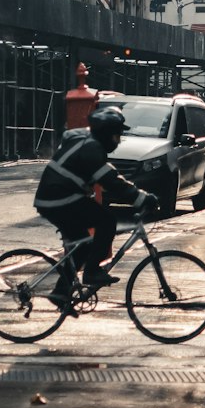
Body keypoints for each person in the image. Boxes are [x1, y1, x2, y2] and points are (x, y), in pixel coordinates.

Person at [34, 104, 158, 298]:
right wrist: (141, 198)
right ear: (106, 134)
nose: (118, 140)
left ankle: (60, 293)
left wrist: (135, 195)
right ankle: (92, 273)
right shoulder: (91, 148)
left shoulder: (85, 140)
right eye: (117, 135)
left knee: (83, 245)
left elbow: (108, 173)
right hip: (59, 199)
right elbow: (110, 180)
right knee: (106, 221)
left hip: (55, 198)